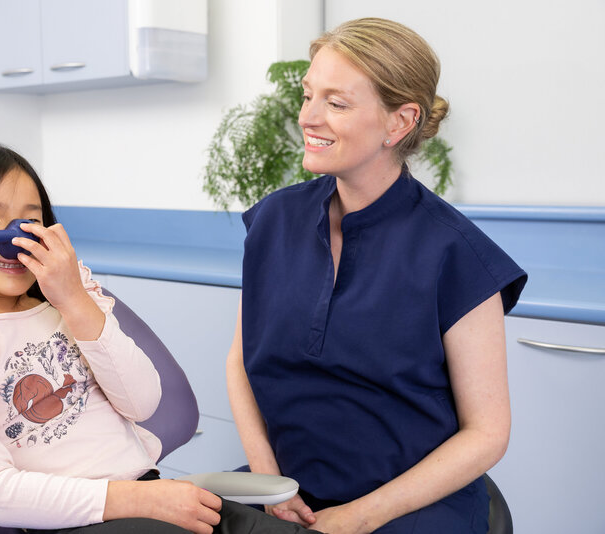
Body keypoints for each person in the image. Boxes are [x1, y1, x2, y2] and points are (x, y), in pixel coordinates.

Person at [0, 143, 317, 534]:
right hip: (83, 522)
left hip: (155, 499)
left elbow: (143, 402)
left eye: (30, 220)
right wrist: (143, 500)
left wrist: (74, 300)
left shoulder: (68, 308)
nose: (15, 235)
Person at [226, 18, 527, 534]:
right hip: (288, 491)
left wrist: (363, 515)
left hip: (409, 506)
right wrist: (267, 477)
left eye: (336, 103)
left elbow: (487, 433)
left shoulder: (456, 253)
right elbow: (240, 361)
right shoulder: (274, 220)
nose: (308, 117)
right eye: (308, 96)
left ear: (399, 122)